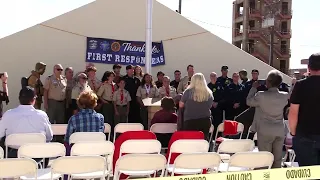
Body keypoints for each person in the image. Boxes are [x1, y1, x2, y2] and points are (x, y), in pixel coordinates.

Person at [247, 70, 289, 168]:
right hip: (280, 129)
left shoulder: (261, 95)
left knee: (265, 159)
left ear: (268, 82)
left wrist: (253, 88)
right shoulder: (285, 96)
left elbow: (249, 101)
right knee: (277, 159)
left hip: (265, 130)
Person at [0, 86, 53, 157]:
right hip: (36, 156)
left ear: (19, 99)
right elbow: (49, 137)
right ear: (34, 99)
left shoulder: (8, 114)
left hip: (13, 156)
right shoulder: (42, 115)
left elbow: (0, 134)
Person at [289, 53, 320, 166]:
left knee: (308, 174)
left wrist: (293, 133)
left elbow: (293, 112)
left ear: (309, 68)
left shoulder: (300, 85)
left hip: (304, 137)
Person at [179, 73, 213, 137]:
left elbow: (181, 105)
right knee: (203, 141)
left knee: (190, 141)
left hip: (190, 121)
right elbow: (210, 106)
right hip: (205, 120)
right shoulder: (209, 93)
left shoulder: (188, 92)